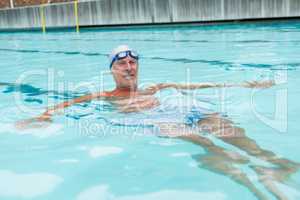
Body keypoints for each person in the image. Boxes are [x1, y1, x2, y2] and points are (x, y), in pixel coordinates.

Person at [17, 45, 298, 200]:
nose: (129, 67)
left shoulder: (154, 88)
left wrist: (246, 85)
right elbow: (67, 104)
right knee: (195, 136)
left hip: (179, 111)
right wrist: (42, 116)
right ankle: (253, 181)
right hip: (156, 122)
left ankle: (272, 164)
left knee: (221, 123)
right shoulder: (106, 95)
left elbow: (201, 86)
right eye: (122, 63)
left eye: (132, 62)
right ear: (112, 70)